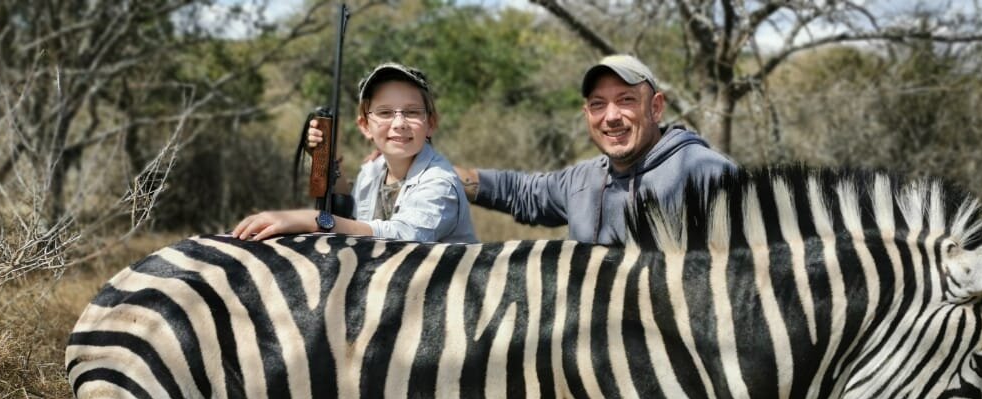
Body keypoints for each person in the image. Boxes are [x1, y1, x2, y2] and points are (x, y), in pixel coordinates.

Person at [304, 54, 734, 245]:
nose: (612, 116)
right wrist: (417, 163)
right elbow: (516, 190)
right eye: (598, 104)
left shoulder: (701, 169)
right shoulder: (585, 179)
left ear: (655, 107)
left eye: (626, 100)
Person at [233, 62, 477, 244]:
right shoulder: (374, 169)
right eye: (384, 113)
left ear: (431, 124)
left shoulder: (440, 183)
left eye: (412, 112)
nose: (399, 123)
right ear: (364, 126)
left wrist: (316, 220)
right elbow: (350, 211)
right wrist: (328, 157)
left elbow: (404, 236)